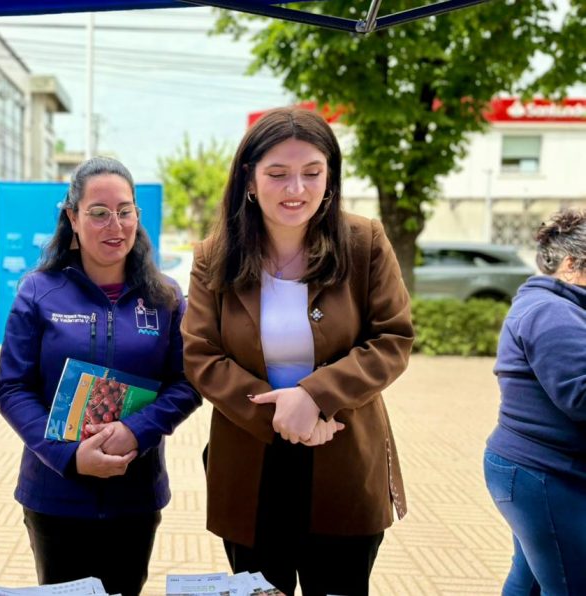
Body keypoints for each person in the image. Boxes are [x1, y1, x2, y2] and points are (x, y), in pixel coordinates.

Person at [181, 107, 414, 595]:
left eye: (312, 173)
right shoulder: (213, 255)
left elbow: (392, 338)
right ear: (249, 179)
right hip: (250, 458)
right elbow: (202, 355)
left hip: (343, 446)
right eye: (278, 174)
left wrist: (315, 397)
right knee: (260, 589)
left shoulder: (364, 242)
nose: (296, 189)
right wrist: (286, 417)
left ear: (330, 178)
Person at [0, 156, 201, 596]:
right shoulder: (38, 290)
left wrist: (136, 431)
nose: (115, 225)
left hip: (135, 494)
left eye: (125, 212)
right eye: (99, 213)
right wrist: (67, 456)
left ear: (137, 217)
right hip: (55, 492)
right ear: (72, 216)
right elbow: (11, 387)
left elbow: (186, 384)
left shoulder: (165, 296)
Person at [484, 209, 586, 595]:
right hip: (542, 474)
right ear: (571, 264)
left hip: (537, 470)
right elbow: (580, 396)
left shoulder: (561, 308)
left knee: (529, 581)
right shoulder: (551, 312)